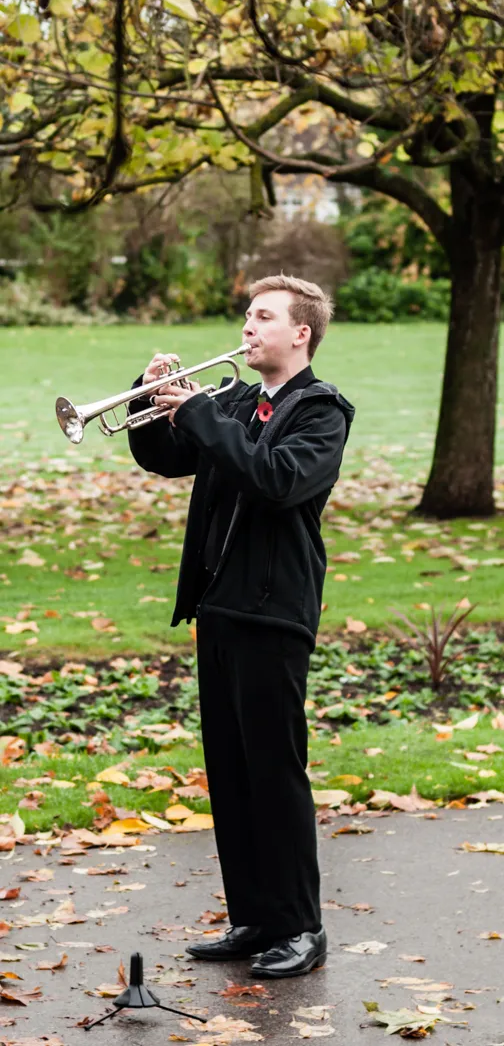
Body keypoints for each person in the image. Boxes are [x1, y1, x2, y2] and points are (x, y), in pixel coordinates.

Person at [127, 274, 355, 979]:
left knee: (274, 772)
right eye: (247, 316)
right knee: (230, 772)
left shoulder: (322, 412)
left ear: (300, 334)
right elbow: (162, 457)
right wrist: (146, 392)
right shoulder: (232, 400)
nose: (247, 328)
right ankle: (255, 918)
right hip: (220, 607)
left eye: (263, 318)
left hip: (276, 611)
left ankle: (301, 927)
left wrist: (200, 414)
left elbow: (277, 480)